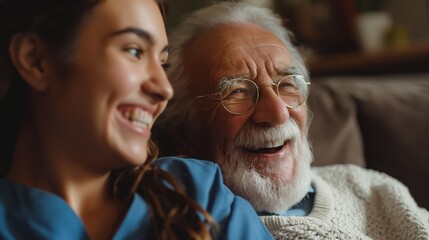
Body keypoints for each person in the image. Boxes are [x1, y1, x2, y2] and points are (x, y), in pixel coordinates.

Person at [0, 0, 273, 239]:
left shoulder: (199, 195)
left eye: (162, 63)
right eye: (134, 51)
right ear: (35, 60)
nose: (164, 89)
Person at [157, 2, 429, 239]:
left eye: (286, 84)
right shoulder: (182, 224)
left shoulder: (369, 186)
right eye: (237, 90)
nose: (277, 112)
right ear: (184, 133)